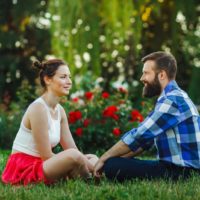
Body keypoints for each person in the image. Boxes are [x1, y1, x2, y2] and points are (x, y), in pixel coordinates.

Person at [94, 51, 200, 182]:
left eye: (146, 73)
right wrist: (113, 159)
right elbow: (145, 142)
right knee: (114, 163)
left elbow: (139, 135)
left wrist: (104, 158)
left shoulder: (172, 100)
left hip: (181, 173)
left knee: (112, 166)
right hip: (179, 170)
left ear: (161, 75)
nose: (141, 78)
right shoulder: (173, 97)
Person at [1, 59, 98, 185]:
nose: (69, 81)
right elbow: (46, 156)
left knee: (92, 157)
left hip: (43, 163)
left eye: (69, 77)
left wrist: (85, 161)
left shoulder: (60, 111)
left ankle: (92, 174)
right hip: (26, 167)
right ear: (47, 79)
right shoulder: (38, 108)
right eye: (63, 77)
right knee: (76, 157)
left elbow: (72, 148)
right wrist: (84, 163)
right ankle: (95, 177)